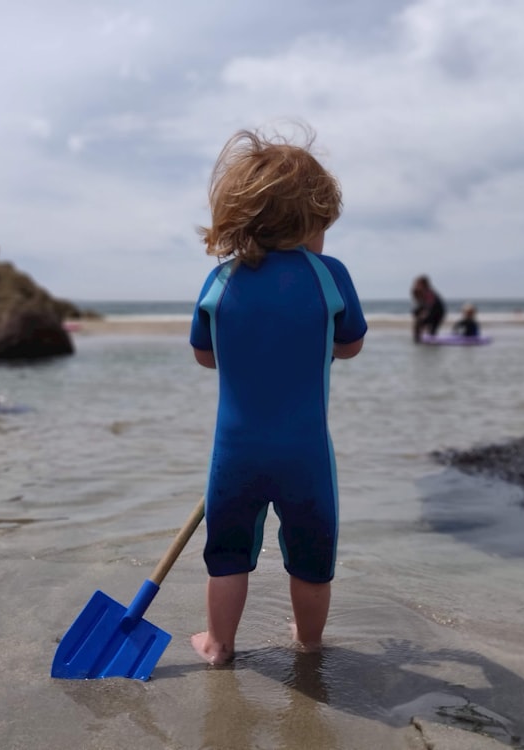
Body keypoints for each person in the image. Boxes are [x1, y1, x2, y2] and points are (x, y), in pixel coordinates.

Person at [189, 128, 367, 666]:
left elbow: (206, 355)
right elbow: (351, 345)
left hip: (235, 453)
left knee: (226, 554)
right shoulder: (328, 276)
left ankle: (218, 645)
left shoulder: (219, 281)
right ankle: (308, 644)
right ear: (308, 221)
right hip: (304, 453)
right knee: (311, 556)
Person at [411, 275, 445, 342]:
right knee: (416, 314)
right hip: (431, 311)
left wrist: (424, 314)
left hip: (438, 312)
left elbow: (430, 305)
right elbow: (420, 305)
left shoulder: (429, 292)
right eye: (416, 283)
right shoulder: (418, 292)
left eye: (418, 283)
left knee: (430, 330)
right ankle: (418, 340)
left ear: (424, 284)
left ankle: (421, 341)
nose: (415, 285)